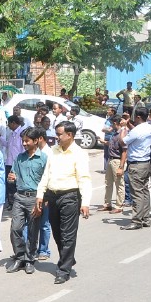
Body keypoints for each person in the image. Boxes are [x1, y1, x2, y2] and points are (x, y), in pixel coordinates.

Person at [34, 122, 92, 284]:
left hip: (70, 197)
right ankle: (68, 258)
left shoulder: (79, 154)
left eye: (59, 134)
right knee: (57, 232)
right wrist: (41, 195)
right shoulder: (53, 151)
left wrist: (85, 202)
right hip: (53, 196)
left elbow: (84, 179)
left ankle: (64, 269)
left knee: (68, 234)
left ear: (70, 135)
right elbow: (46, 174)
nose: (57, 137)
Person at [6, 128, 48, 274]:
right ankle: (19, 257)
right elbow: (12, 175)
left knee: (32, 231)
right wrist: (11, 178)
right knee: (15, 229)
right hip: (19, 197)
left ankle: (30, 259)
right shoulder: (19, 158)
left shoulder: (44, 159)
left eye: (27, 141)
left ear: (36, 141)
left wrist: (44, 200)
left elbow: (47, 180)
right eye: (22, 140)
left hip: (35, 199)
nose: (24, 143)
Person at [121, 108, 151, 230]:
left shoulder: (137, 130)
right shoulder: (149, 127)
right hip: (145, 162)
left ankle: (136, 220)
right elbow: (136, 133)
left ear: (138, 117)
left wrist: (123, 128)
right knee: (144, 191)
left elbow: (122, 142)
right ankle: (145, 218)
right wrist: (129, 124)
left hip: (136, 164)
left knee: (136, 193)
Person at [101, 116, 127, 213]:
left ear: (116, 123)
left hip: (117, 160)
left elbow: (124, 151)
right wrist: (104, 142)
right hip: (111, 160)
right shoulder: (114, 134)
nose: (111, 126)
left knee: (119, 184)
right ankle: (107, 204)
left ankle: (119, 205)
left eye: (112, 123)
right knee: (108, 183)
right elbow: (113, 145)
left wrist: (121, 166)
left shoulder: (122, 134)